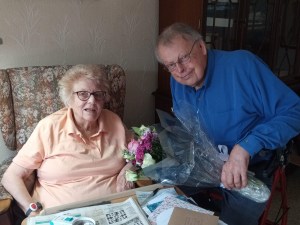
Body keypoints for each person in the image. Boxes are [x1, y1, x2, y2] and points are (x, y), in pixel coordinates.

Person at [155, 22, 300, 225]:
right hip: (205, 164)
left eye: (184, 58)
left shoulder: (243, 66)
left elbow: (294, 111)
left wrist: (245, 147)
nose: (179, 70)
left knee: (229, 222)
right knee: (162, 200)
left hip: (252, 164)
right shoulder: (177, 81)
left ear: (201, 47)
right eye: (170, 65)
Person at [1, 64, 134, 223]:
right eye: (83, 94)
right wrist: (30, 209)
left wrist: (129, 167)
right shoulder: (49, 127)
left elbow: (140, 152)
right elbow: (11, 177)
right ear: (69, 99)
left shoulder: (114, 122)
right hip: (59, 217)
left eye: (98, 94)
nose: (92, 100)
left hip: (112, 212)